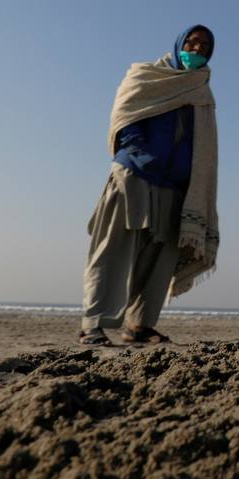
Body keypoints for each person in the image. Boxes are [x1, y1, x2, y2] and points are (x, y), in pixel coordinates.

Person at [80, 25, 219, 346]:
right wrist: (145, 159)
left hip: (176, 189)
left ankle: (138, 327)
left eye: (205, 46)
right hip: (133, 178)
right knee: (113, 252)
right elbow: (125, 120)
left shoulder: (201, 90)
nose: (197, 49)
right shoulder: (144, 77)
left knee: (160, 259)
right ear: (179, 44)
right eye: (192, 42)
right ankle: (93, 325)